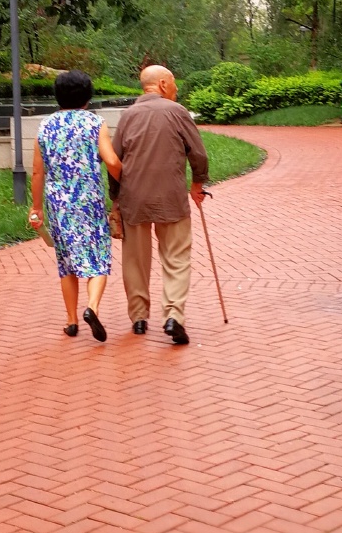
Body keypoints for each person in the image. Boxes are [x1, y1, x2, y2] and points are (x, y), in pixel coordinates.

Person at [110, 64, 209, 345]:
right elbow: (198, 154)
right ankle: (173, 316)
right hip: (171, 198)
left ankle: (139, 319)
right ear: (164, 84)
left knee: (135, 261)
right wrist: (198, 184)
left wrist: (115, 198)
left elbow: (114, 160)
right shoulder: (177, 112)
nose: (176, 89)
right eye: (174, 83)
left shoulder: (127, 116)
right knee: (177, 258)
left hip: (134, 199)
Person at [29, 70, 123, 342]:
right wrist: (127, 181)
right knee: (98, 258)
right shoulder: (95, 123)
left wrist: (36, 207)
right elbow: (112, 162)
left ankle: (71, 322)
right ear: (88, 96)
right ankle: (91, 308)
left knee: (66, 261)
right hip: (89, 201)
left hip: (58, 203)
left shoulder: (45, 126)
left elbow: (37, 171)